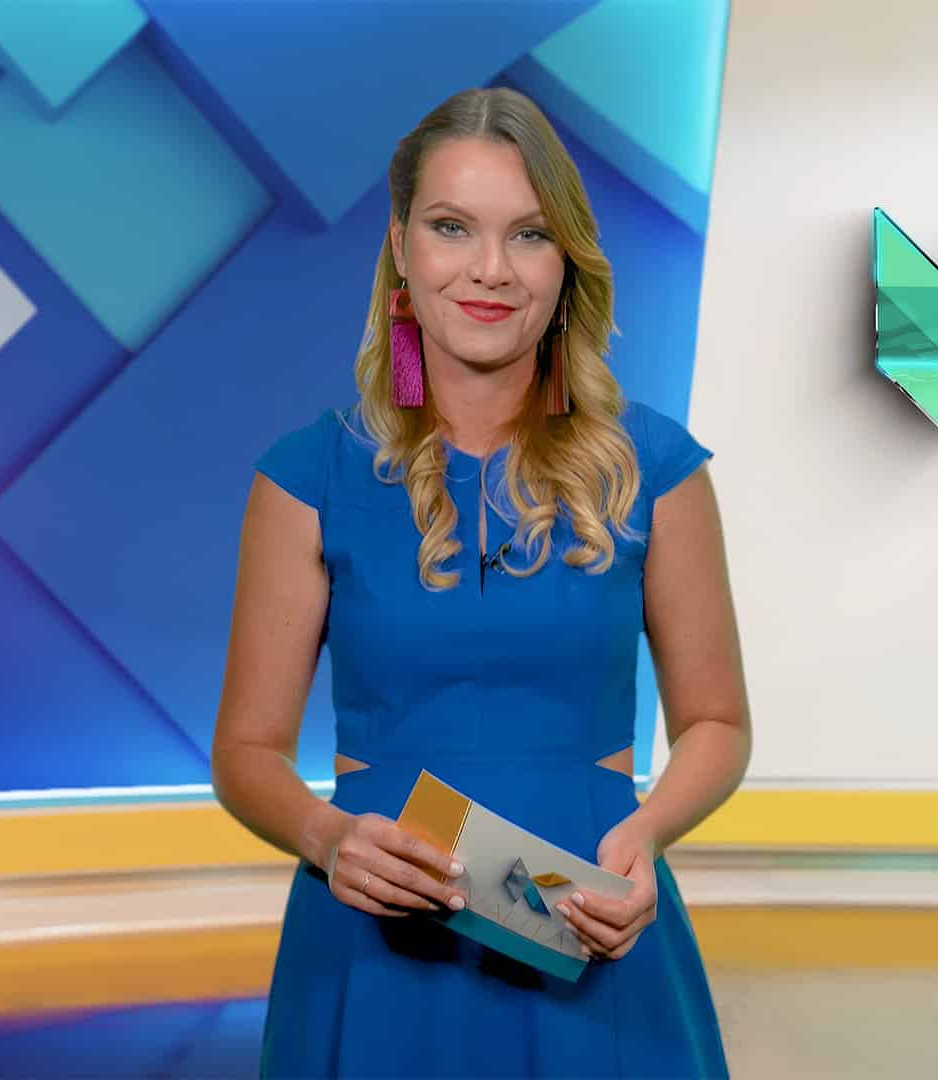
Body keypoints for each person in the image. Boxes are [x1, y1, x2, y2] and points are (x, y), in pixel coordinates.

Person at [211, 87, 750, 1078]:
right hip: (372, 949)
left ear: (567, 262)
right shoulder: (307, 477)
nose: (491, 269)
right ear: (401, 247)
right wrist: (328, 839)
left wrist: (647, 835)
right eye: (452, 227)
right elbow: (246, 752)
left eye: (529, 235)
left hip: (591, 928)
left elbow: (717, 722)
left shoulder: (655, 469)